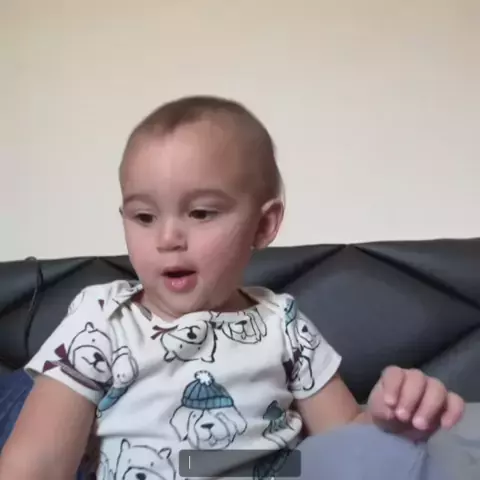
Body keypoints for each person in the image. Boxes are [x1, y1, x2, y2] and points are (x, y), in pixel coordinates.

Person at [0, 96, 465, 480]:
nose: (167, 238)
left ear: (263, 225)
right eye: (144, 216)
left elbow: (341, 442)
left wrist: (391, 420)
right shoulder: (102, 318)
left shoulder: (283, 324)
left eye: (201, 212)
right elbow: (37, 464)